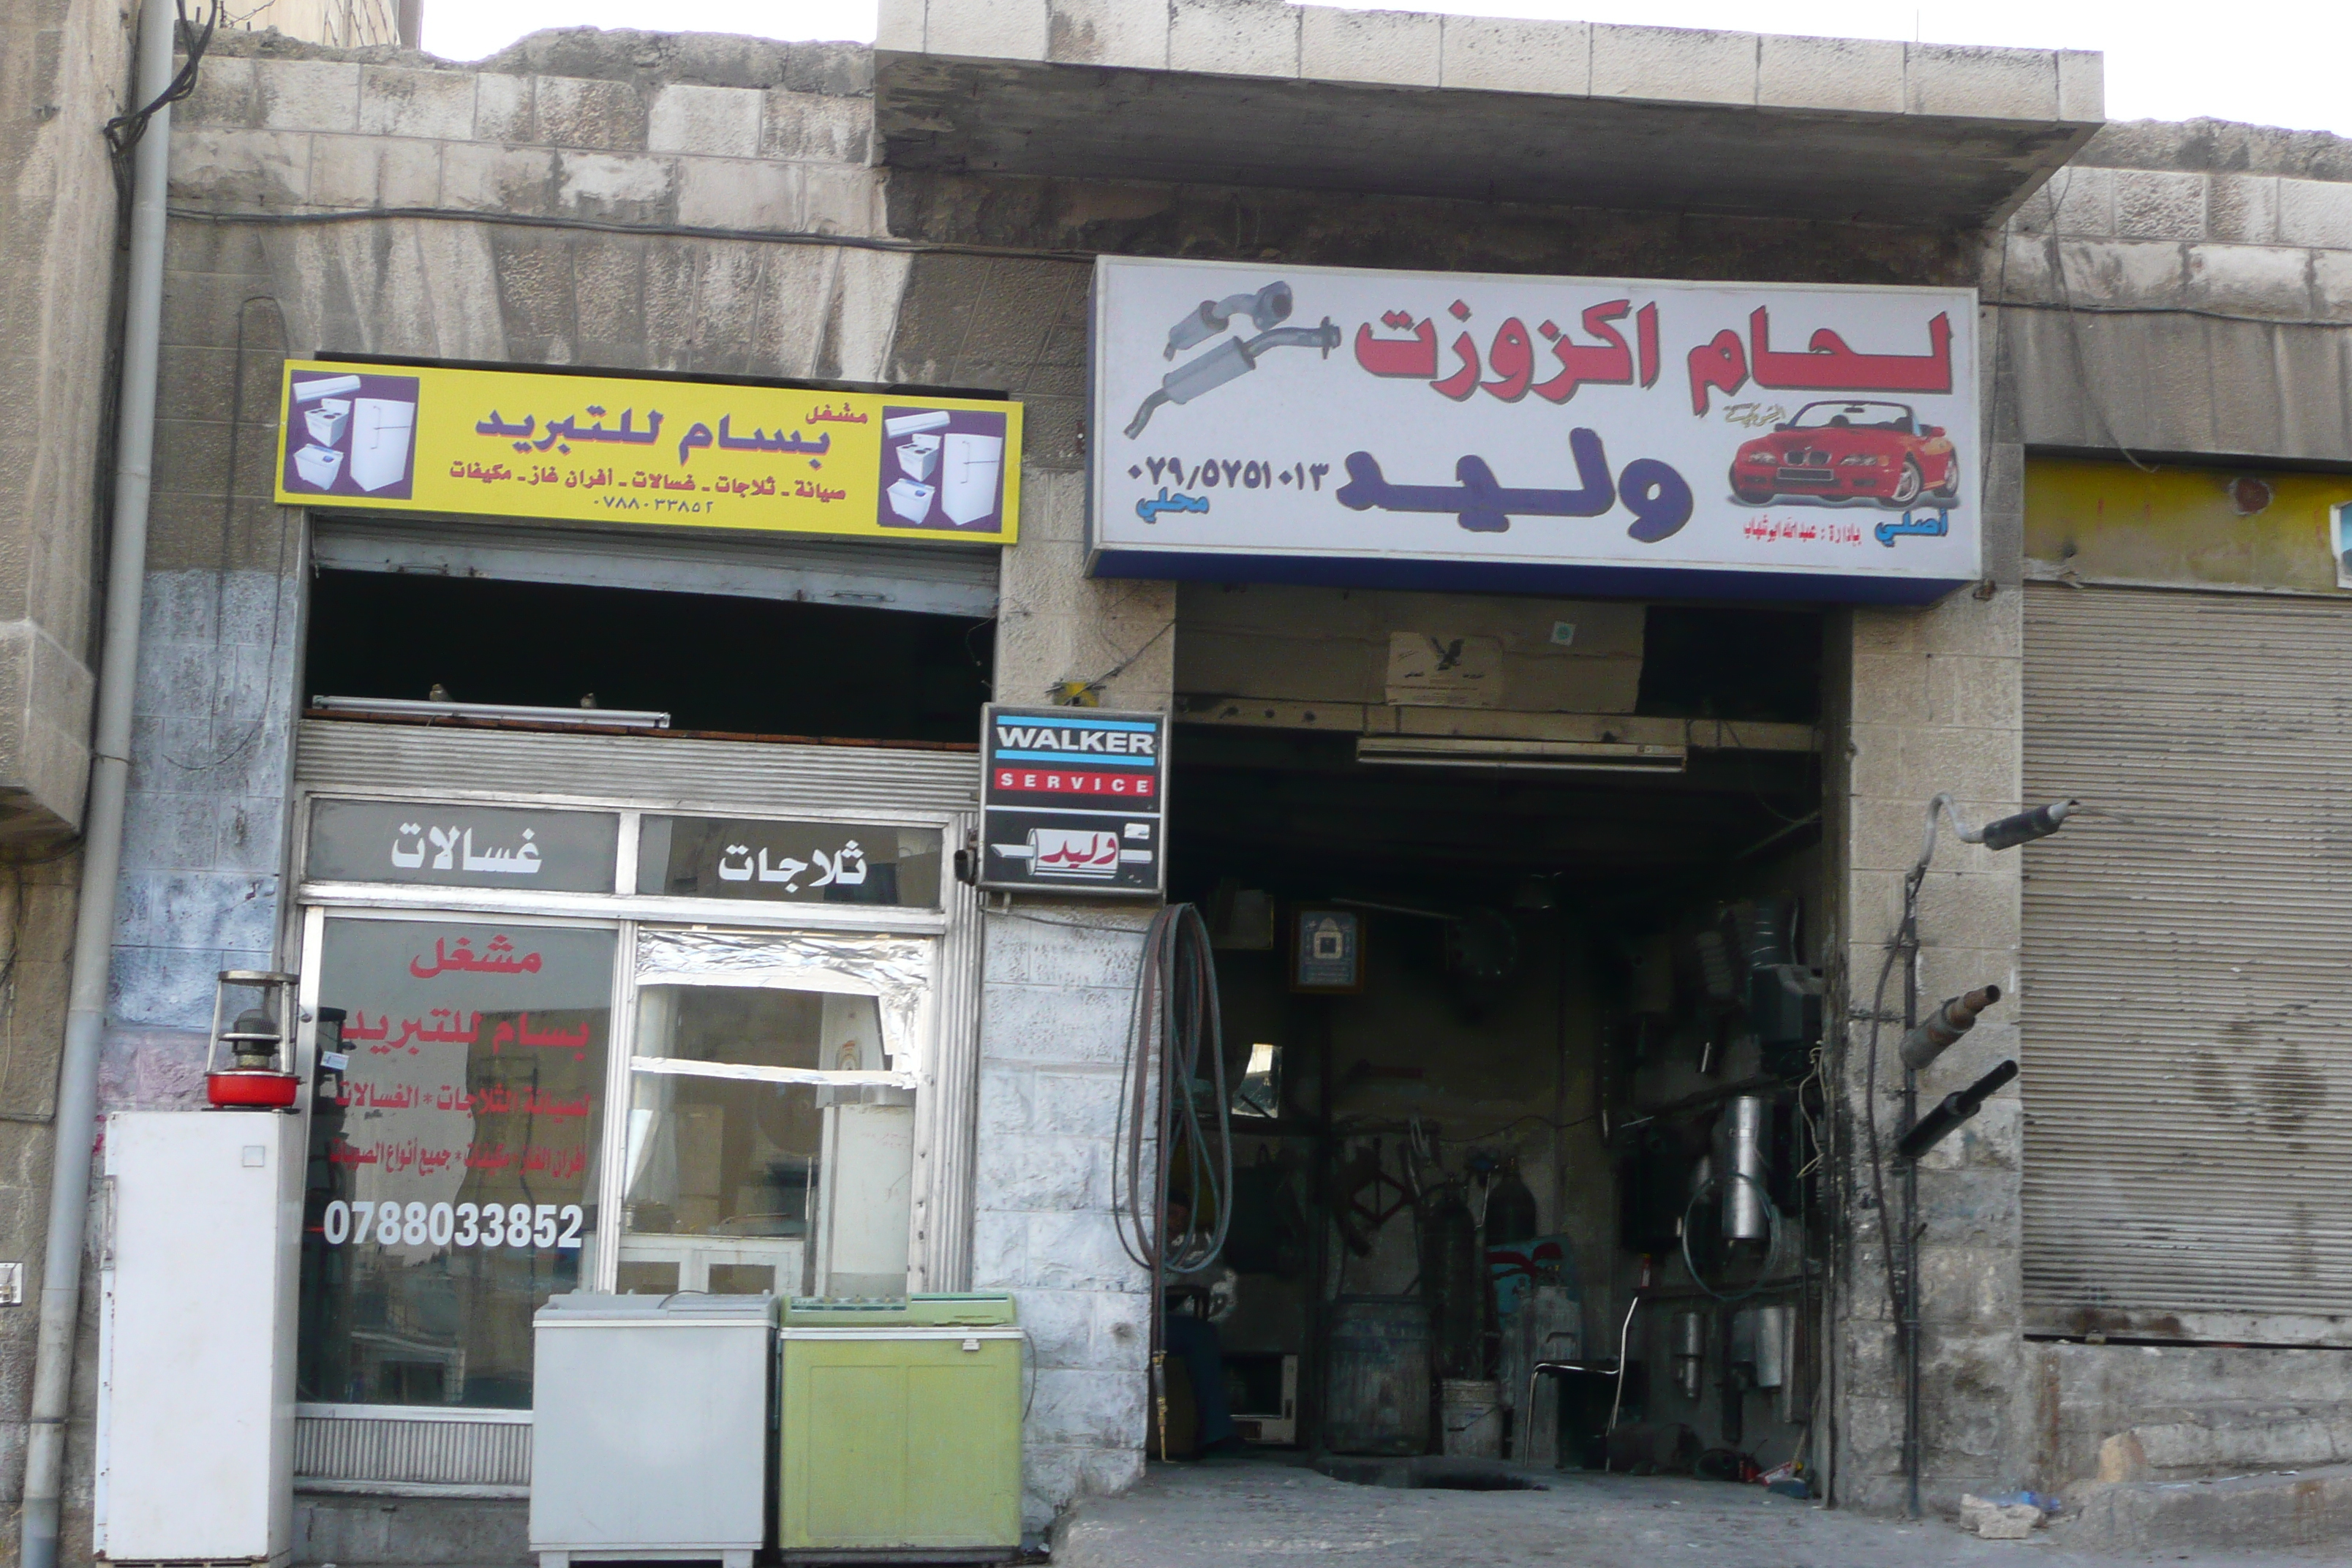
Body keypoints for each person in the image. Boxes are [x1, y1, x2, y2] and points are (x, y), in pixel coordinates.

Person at [1162, 1198, 1243, 1459]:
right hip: (1131, 1326)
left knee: (1203, 1332)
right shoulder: (1137, 1242)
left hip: (1159, 1322)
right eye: (1172, 1213)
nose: (1176, 1222)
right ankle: (1216, 1433)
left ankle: (1215, 1432)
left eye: (1182, 1218)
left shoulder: (1179, 1250)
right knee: (1200, 1335)